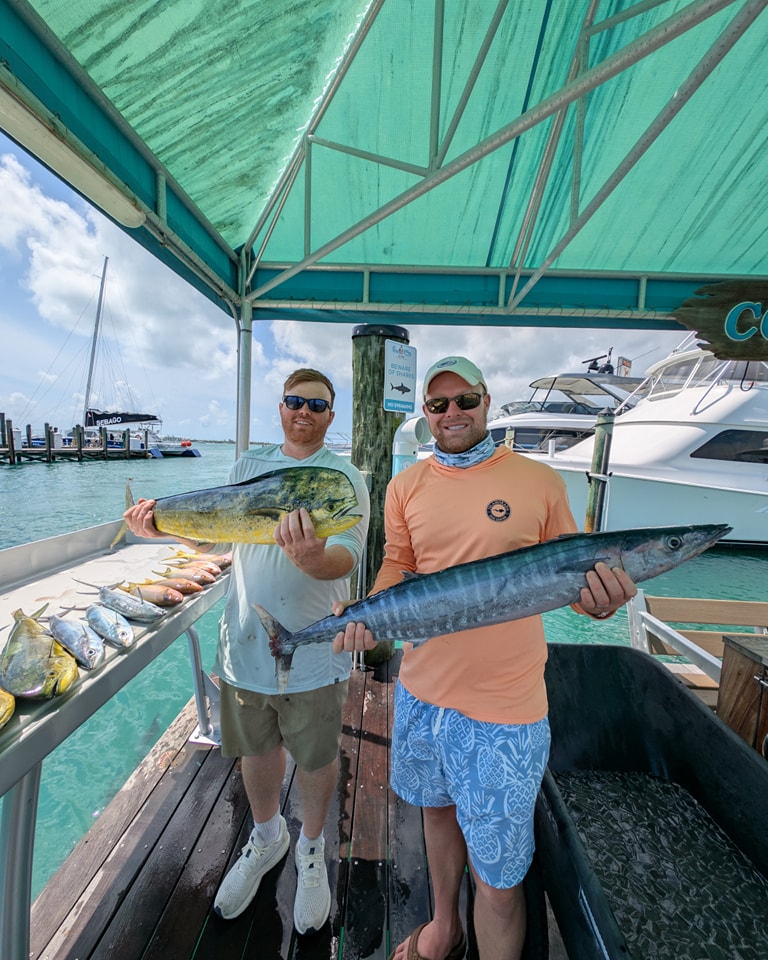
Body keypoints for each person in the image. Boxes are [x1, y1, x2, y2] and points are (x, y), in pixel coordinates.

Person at [332, 356, 636, 960]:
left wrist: (602, 606)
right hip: (420, 695)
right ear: (425, 413)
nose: (453, 414)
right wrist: (373, 612)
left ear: (487, 401)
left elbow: (570, 582)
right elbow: (400, 563)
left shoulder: (539, 481)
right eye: (439, 404)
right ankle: (444, 927)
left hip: (505, 713)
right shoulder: (405, 485)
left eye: (464, 401)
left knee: (499, 882)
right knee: (437, 818)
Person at [122, 368, 370, 934]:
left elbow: (348, 557)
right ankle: (266, 838)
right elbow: (217, 534)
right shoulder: (246, 467)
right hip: (244, 647)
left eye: (316, 404)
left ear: (331, 416)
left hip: (312, 652)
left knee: (314, 755)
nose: (303, 411)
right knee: (256, 749)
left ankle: (310, 849)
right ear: (280, 407)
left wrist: (313, 559)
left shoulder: (344, 478)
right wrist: (160, 528)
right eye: (294, 401)